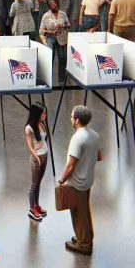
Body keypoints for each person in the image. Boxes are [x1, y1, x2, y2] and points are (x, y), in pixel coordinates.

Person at [58, 105, 102, 255]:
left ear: (77, 120)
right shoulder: (94, 135)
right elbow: (100, 156)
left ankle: (84, 245)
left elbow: (70, 166)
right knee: (85, 210)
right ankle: (87, 237)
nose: (71, 119)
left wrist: (61, 180)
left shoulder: (77, 138)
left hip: (77, 183)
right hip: (88, 180)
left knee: (78, 213)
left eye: (71, 117)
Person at [24, 102, 48, 222]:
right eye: (43, 113)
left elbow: (43, 140)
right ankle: (32, 208)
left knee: (39, 183)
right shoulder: (29, 128)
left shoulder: (42, 124)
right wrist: (37, 158)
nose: (45, 115)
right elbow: (30, 146)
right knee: (34, 185)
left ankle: (37, 205)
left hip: (45, 156)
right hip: (36, 159)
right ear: (37, 114)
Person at [39, 0, 70, 83]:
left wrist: (63, 26)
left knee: (62, 57)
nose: (53, 5)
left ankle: (61, 78)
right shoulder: (46, 15)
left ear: (57, 3)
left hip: (62, 38)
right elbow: (41, 30)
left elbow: (68, 25)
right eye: (51, 4)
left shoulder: (63, 14)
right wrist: (51, 32)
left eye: (55, 3)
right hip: (50, 38)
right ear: (49, 6)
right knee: (50, 56)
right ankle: (48, 77)